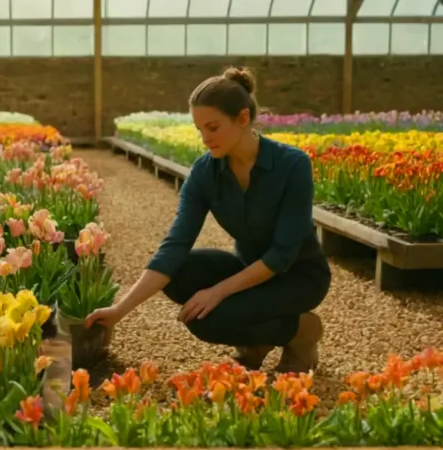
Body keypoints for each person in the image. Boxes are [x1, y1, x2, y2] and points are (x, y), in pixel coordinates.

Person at [86, 67, 331, 374]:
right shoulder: (206, 172)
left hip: (298, 277)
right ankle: (260, 337)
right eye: (199, 129)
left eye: (213, 128)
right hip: (248, 268)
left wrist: (218, 291)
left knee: (210, 321)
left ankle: (300, 332)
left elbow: (282, 254)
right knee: (179, 274)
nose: (205, 139)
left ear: (242, 119)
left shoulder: (292, 164)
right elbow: (173, 247)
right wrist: (119, 310)